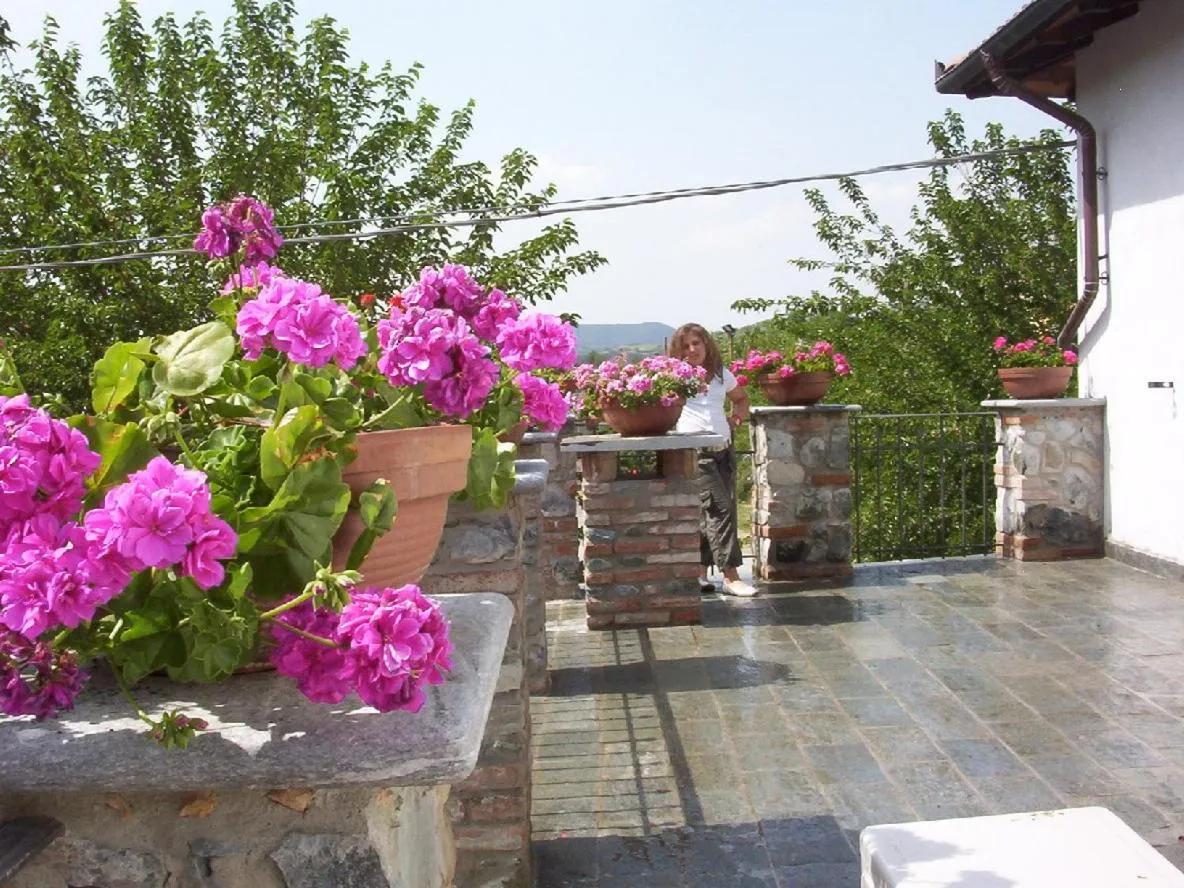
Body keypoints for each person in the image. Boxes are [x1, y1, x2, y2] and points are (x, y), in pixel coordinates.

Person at [667, 323, 757, 597]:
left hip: (723, 450)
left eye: (696, 343)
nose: (692, 350)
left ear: (706, 344)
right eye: (685, 346)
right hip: (696, 452)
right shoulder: (676, 378)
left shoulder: (720, 374)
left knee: (709, 512)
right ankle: (731, 577)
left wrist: (736, 419)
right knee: (721, 509)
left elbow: (741, 399)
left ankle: (699, 572)